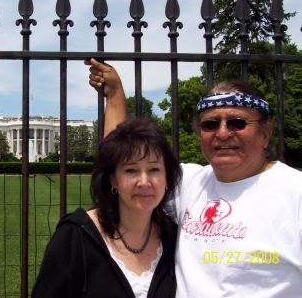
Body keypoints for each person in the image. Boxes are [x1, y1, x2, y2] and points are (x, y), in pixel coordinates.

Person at [86, 58, 302, 298]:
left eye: (237, 123)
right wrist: (115, 94)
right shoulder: (189, 183)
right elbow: (121, 160)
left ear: (265, 133)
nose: (222, 133)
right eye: (210, 125)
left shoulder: (295, 193)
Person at [31, 117, 182, 298]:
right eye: (131, 170)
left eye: (154, 170)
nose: (144, 182)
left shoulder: (175, 237)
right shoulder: (76, 236)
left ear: (167, 177)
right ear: (113, 180)